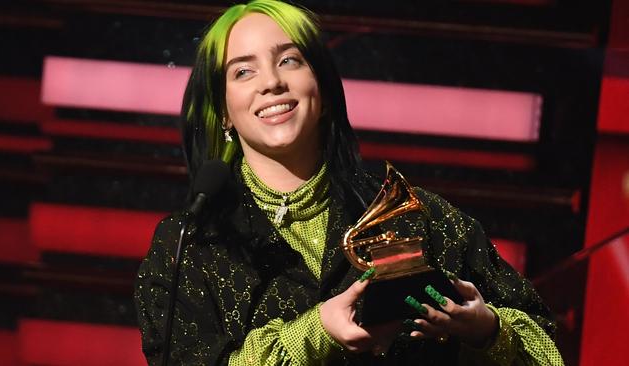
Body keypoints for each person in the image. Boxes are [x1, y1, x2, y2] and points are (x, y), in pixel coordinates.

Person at [134, 0, 564, 364]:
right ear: (224, 112)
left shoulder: (419, 215)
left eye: (289, 60)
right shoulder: (188, 243)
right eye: (243, 72)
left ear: (320, 89)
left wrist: (486, 330)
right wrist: (314, 333)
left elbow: (550, 349)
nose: (272, 82)